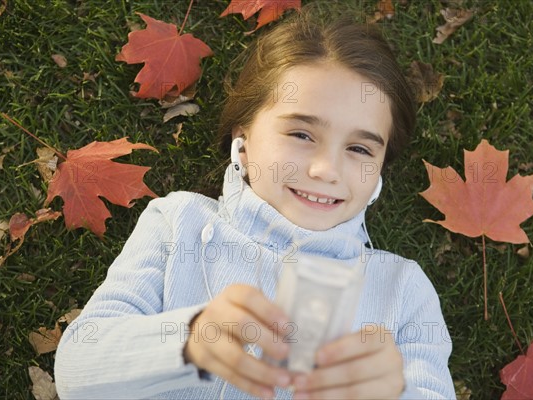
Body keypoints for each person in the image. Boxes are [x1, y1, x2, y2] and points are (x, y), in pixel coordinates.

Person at [54, 6, 455, 400]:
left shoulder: (403, 290)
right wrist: (189, 339)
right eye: (301, 134)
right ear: (242, 142)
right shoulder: (178, 224)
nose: (326, 169)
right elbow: (76, 373)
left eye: (359, 149)